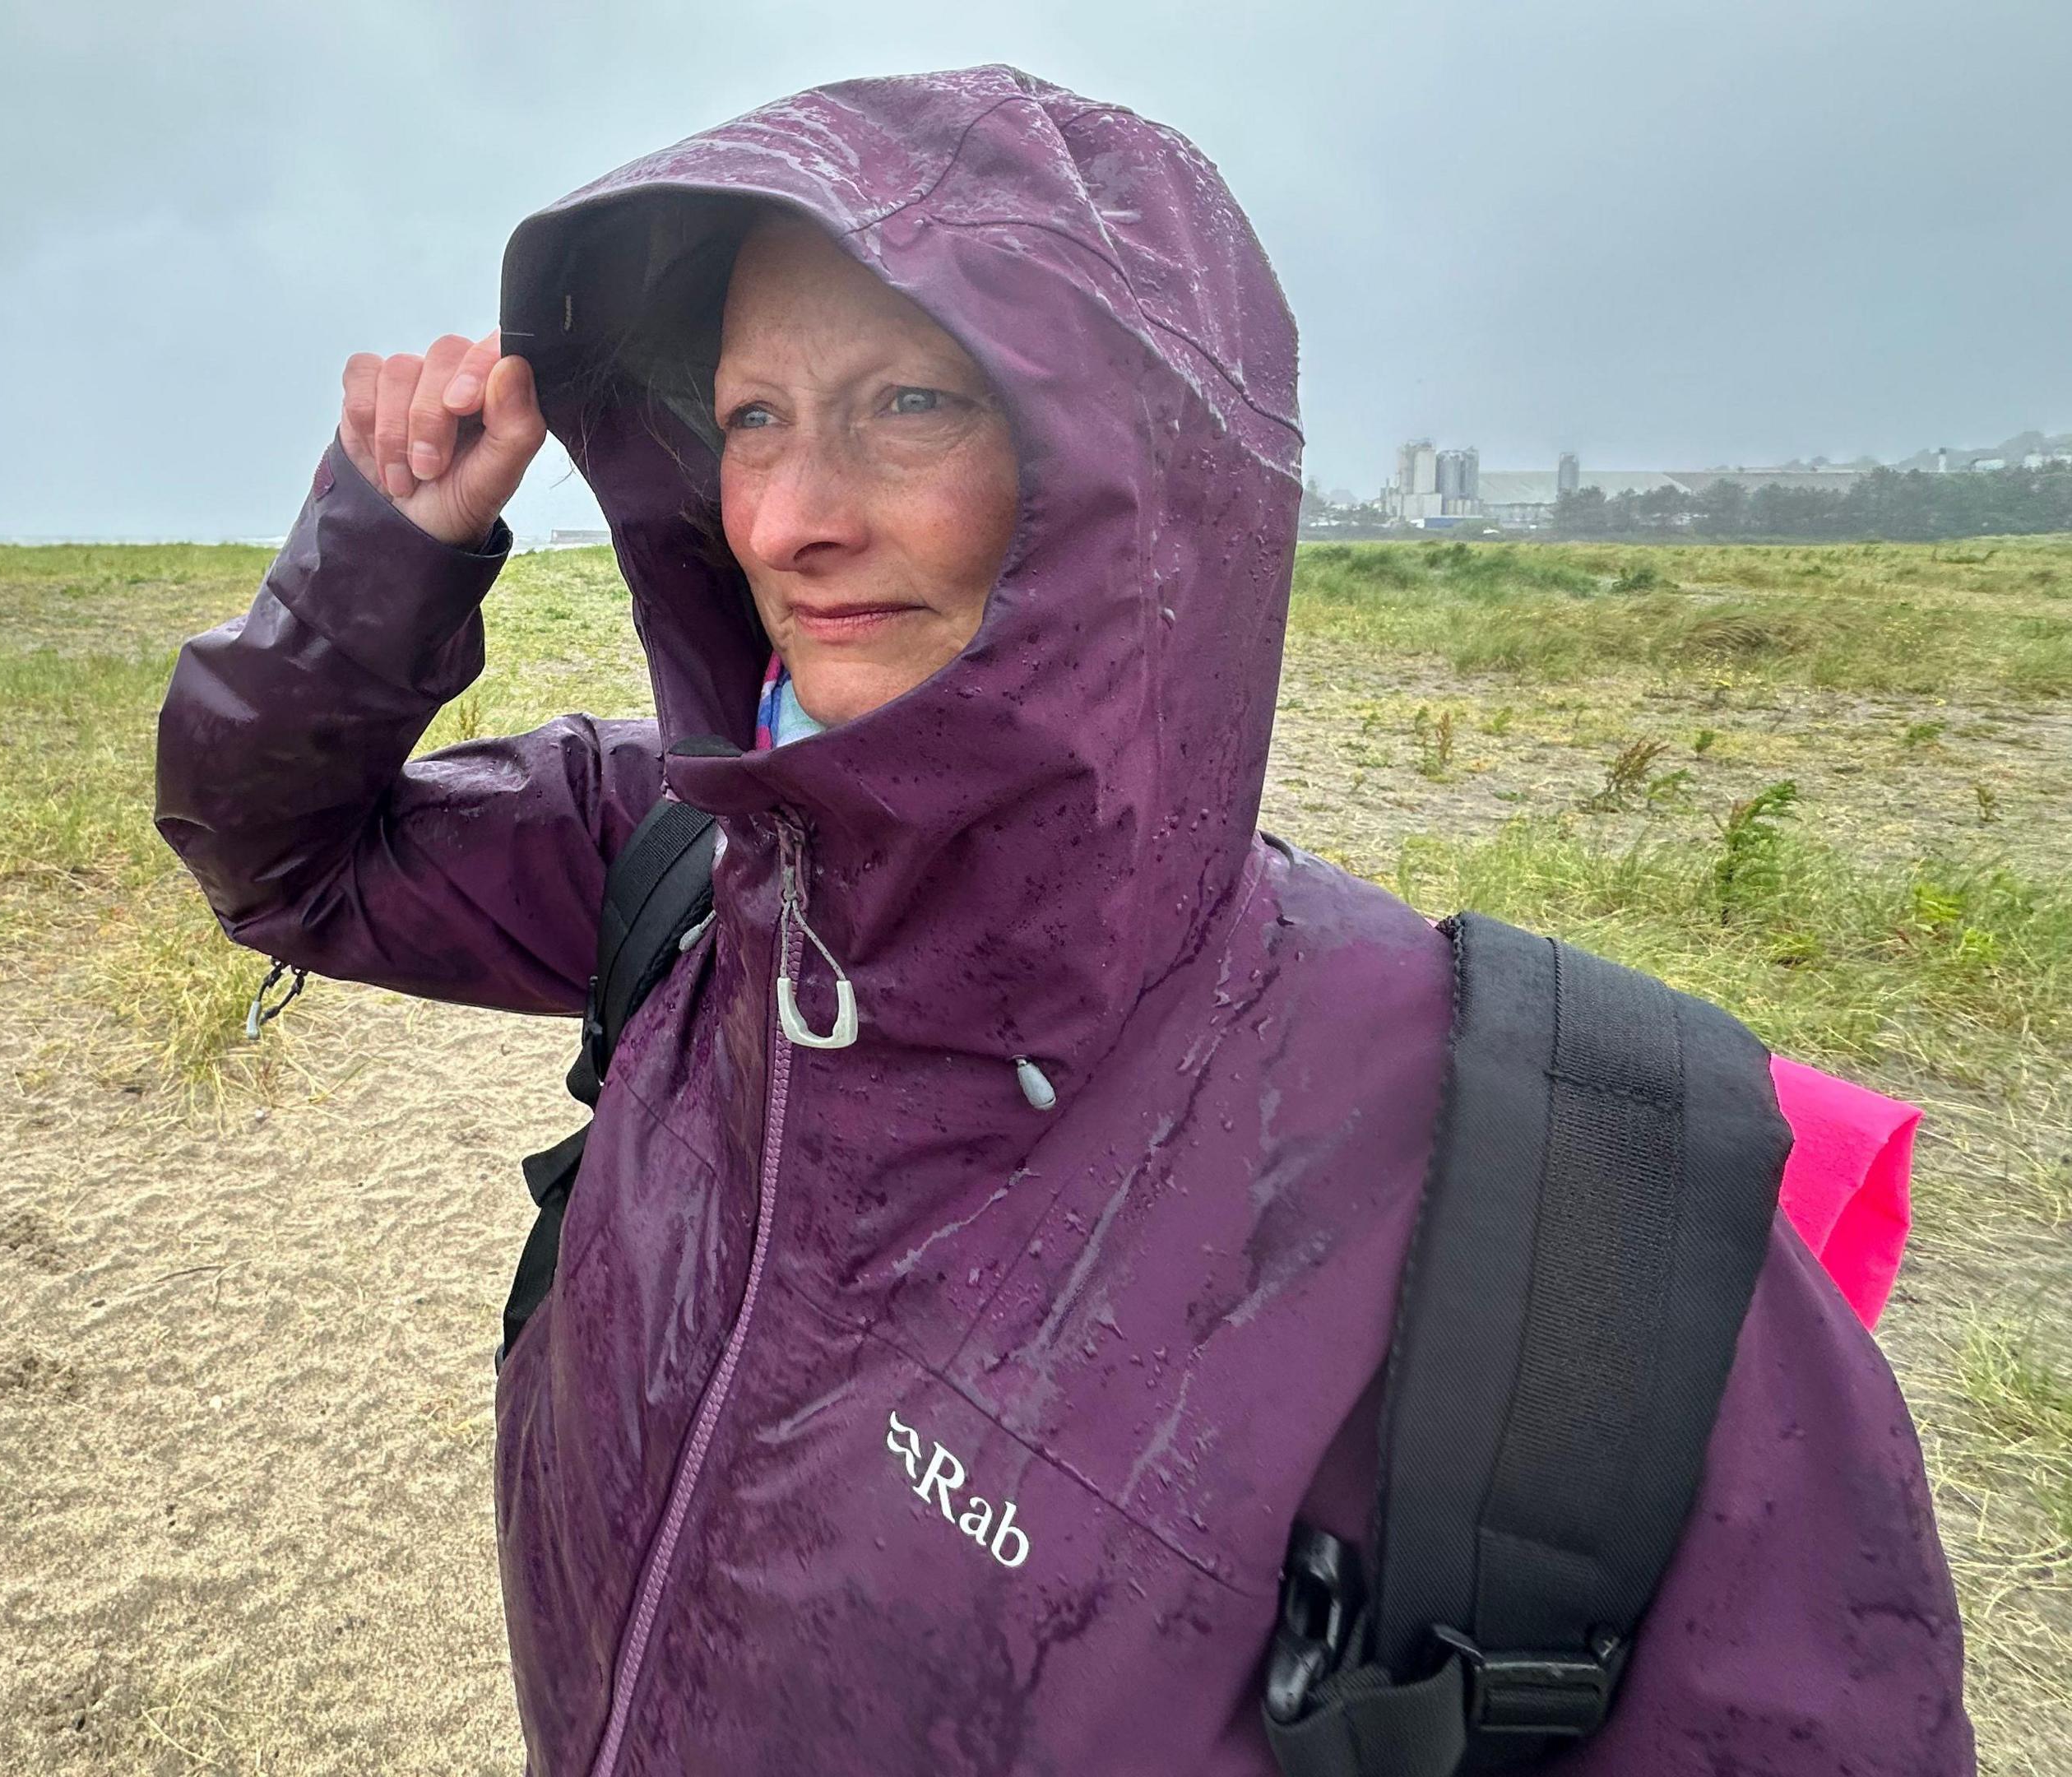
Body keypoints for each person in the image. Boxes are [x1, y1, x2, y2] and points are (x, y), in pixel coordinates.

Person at [155, 67, 1969, 1775]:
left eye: (910, 403)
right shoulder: (685, 858)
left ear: (1148, 476)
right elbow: (285, 857)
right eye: (751, 419)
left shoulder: (1565, 1228)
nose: (788, 518)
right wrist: (379, 550)